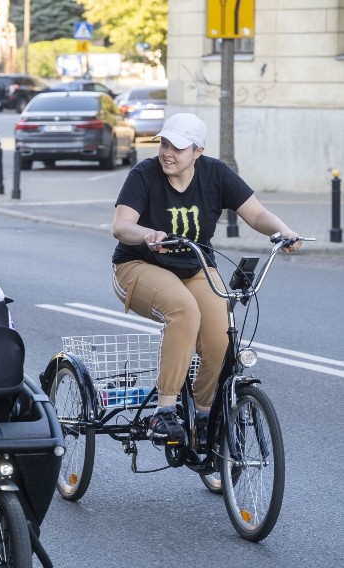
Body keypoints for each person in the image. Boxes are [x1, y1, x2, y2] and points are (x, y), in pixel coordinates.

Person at [111, 113, 304, 442]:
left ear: (198, 152)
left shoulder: (215, 174)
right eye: (165, 143)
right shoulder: (144, 174)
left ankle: (204, 414)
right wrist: (148, 234)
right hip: (137, 266)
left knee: (220, 331)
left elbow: (255, 213)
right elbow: (121, 225)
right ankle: (165, 411)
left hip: (195, 266)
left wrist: (282, 230)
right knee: (184, 310)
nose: (168, 152)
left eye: (179, 148)